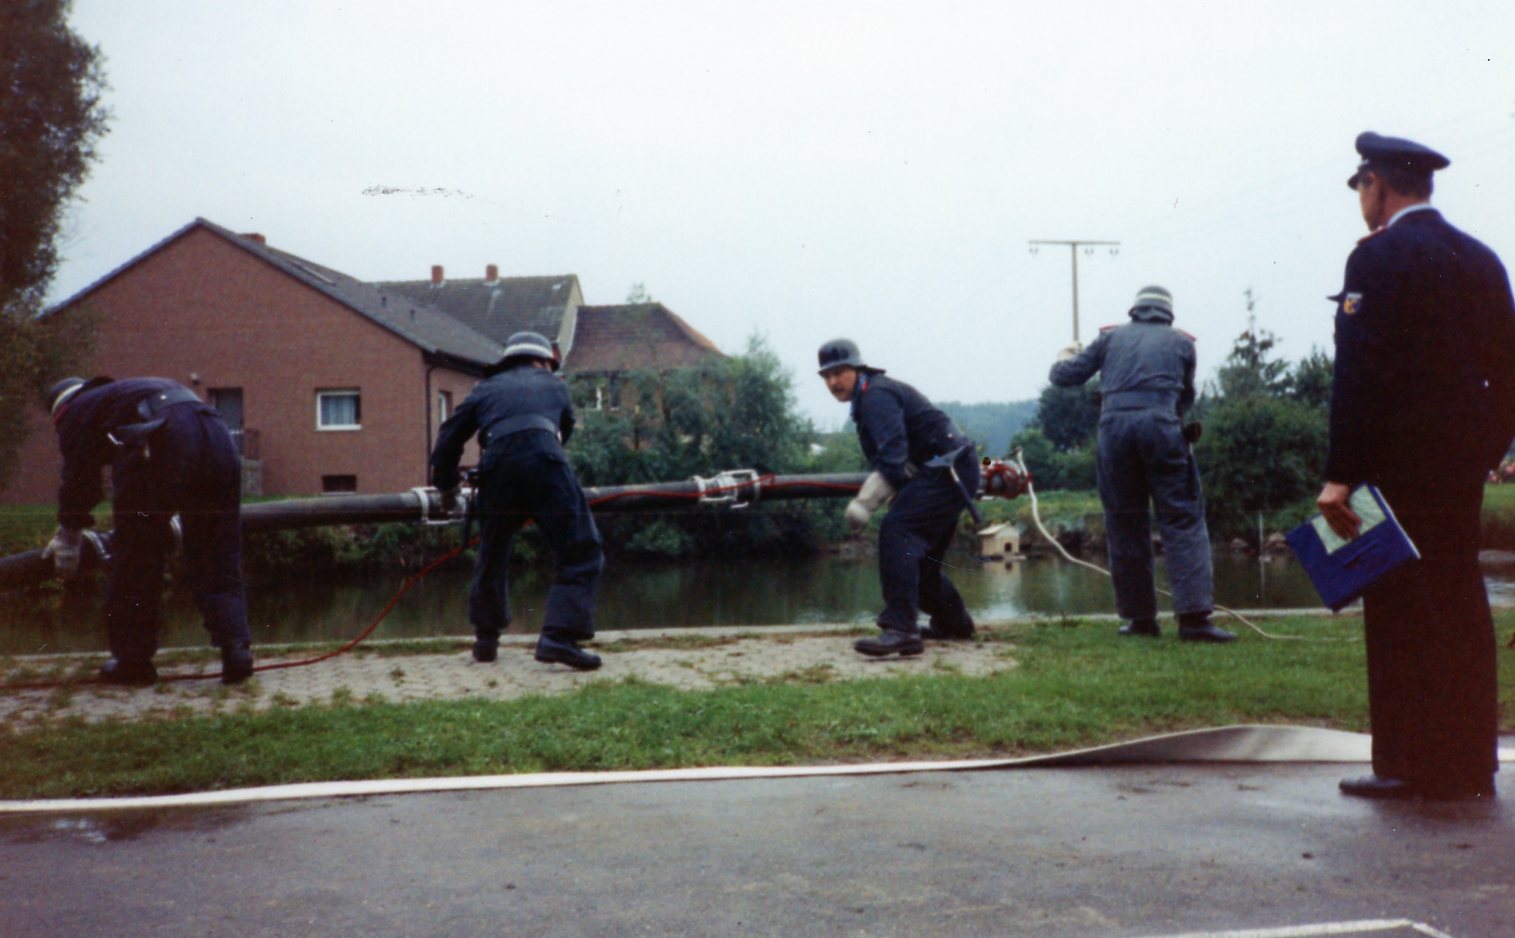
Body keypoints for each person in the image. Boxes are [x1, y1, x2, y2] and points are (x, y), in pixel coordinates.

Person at [1318, 132, 1515, 801]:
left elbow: (1359, 376)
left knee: (1400, 610)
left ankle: (1407, 765)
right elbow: (1507, 376)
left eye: (1359, 187)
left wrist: (1339, 473)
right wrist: (1480, 454)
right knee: (1459, 603)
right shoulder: (1482, 259)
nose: (1359, 201)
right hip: (1457, 468)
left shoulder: (1376, 259)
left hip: (1397, 469)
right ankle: (1466, 764)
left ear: (1377, 184)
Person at [1048, 286, 1235, 643]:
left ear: (1135, 310)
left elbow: (1062, 377)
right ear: (1168, 314)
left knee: (1124, 523)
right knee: (1182, 519)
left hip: (1114, 432)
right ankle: (1194, 621)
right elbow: (1187, 397)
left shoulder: (1108, 339)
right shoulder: (1183, 344)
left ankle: (1140, 621)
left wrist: (1064, 355)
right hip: (1163, 428)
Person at [43, 376, 254, 685]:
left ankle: (133, 662)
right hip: (215, 432)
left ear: (58, 411)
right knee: (217, 549)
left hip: (162, 434)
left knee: (135, 556)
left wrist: (69, 534)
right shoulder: (119, 394)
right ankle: (236, 651)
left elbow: (79, 479)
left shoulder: (75, 413)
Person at [430, 331, 604, 671]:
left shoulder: (485, 388)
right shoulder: (554, 385)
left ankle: (485, 641)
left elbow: (448, 437)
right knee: (581, 549)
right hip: (545, 463)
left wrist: (447, 487)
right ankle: (559, 637)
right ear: (542, 361)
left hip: (496, 469)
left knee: (492, 550)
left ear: (508, 361)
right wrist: (541, 477)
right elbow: (563, 431)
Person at [817, 338, 979, 657]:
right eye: (827, 376)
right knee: (924, 561)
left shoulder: (875, 396)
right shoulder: (870, 396)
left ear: (857, 368)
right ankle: (953, 622)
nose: (833, 382)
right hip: (950, 468)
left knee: (898, 531)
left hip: (947, 469)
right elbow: (900, 461)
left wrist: (865, 503)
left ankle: (901, 629)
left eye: (840, 372)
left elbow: (892, 457)